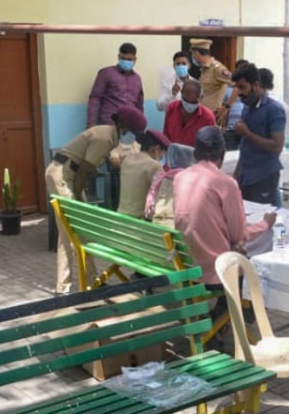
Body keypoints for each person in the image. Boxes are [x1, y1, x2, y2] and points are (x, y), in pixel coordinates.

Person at [48, 106, 148, 294]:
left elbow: (88, 167)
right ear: (123, 127)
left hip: (71, 175)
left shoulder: (110, 136)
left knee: (83, 232)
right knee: (68, 232)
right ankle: (63, 287)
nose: (133, 137)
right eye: (133, 132)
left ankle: (92, 281)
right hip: (62, 175)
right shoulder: (105, 138)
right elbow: (84, 170)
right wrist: (77, 198)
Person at [174, 127, 276, 305]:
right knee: (255, 262)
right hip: (217, 270)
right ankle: (235, 316)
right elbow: (239, 235)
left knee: (237, 248)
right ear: (222, 153)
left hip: (186, 264)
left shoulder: (180, 177)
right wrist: (265, 224)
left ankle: (222, 321)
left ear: (195, 153)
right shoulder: (226, 183)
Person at [230, 64, 287, 207]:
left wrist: (247, 133)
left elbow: (277, 146)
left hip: (264, 175)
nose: (239, 93)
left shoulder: (274, 109)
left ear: (255, 85)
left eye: (242, 87)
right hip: (246, 176)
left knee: (262, 220)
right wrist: (237, 174)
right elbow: (245, 145)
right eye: (237, 88)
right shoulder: (247, 108)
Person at [86, 42, 144, 128]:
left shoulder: (137, 79)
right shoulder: (106, 73)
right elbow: (95, 98)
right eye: (123, 58)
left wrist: (140, 126)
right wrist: (91, 123)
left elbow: (139, 105)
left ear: (135, 59)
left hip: (129, 128)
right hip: (108, 123)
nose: (126, 62)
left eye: (129, 60)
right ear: (118, 56)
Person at [117, 129, 170, 219]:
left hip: (120, 217)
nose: (161, 157)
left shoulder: (127, 160)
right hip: (139, 222)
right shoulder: (154, 166)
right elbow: (161, 198)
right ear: (156, 149)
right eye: (162, 154)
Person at [146, 143, 194, 229]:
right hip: (175, 231)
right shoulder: (190, 181)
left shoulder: (160, 178)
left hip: (156, 227)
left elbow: (149, 207)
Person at [163, 79, 217, 147]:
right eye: (185, 100)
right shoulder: (171, 108)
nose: (189, 104)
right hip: (172, 154)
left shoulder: (208, 117)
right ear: (181, 93)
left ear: (201, 98)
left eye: (193, 102)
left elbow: (211, 145)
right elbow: (166, 136)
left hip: (196, 156)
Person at [189, 39, 232, 113]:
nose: (192, 57)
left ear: (197, 53)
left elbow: (237, 84)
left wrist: (227, 106)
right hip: (203, 113)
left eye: (193, 54)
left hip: (214, 114)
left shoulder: (217, 68)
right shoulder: (204, 69)